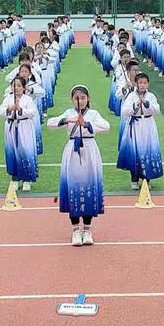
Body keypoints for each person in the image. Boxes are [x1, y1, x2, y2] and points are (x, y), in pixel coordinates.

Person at [47, 85, 110, 247]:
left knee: (88, 186)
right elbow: (50, 123)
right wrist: (68, 120)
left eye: (83, 98)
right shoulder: (69, 113)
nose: (80, 101)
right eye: (77, 98)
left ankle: (87, 230)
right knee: (73, 188)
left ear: (88, 99)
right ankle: (75, 230)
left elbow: (106, 126)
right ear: (72, 99)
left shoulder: (94, 114)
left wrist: (87, 124)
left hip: (89, 150)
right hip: (72, 151)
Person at [117, 73, 163, 190]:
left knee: (147, 151)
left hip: (148, 125)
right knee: (134, 152)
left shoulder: (151, 96)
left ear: (148, 84)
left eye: (144, 83)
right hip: (135, 125)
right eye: (140, 83)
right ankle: (134, 179)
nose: (142, 85)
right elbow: (124, 111)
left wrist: (147, 104)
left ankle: (147, 179)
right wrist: (135, 105)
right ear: (136, 84)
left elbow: (156, 109)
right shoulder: (132, 96)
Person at [0, 76, 39, 192]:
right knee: (12, 151)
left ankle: (27, 180)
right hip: (11, 127)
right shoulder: (8, 98)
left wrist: (20, 109)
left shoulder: (28, 99)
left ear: (24, 87)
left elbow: (32, 112)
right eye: (14, 85)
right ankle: (14, 178)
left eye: (19, 86)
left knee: (26, 151)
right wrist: (10, 109)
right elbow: (0, 111)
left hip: (24, 127)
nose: (16, 88)